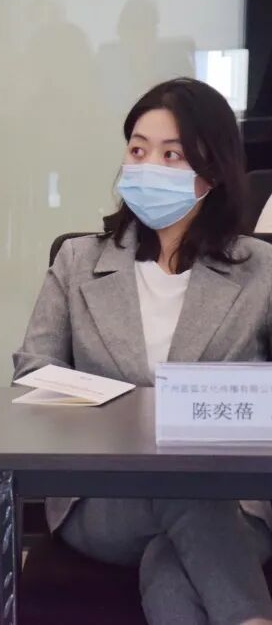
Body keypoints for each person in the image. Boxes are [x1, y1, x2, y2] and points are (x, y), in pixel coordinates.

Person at [15, 77, 272, 625]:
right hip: (105, 498)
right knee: (185, 489)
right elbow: (34, 371)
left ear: (212, 171)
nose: (148, 166)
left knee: (170, 562)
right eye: (138, 150)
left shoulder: (261, 270)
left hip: (235, 500)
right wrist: (132, 409)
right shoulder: (78, 261)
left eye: (171, 155)